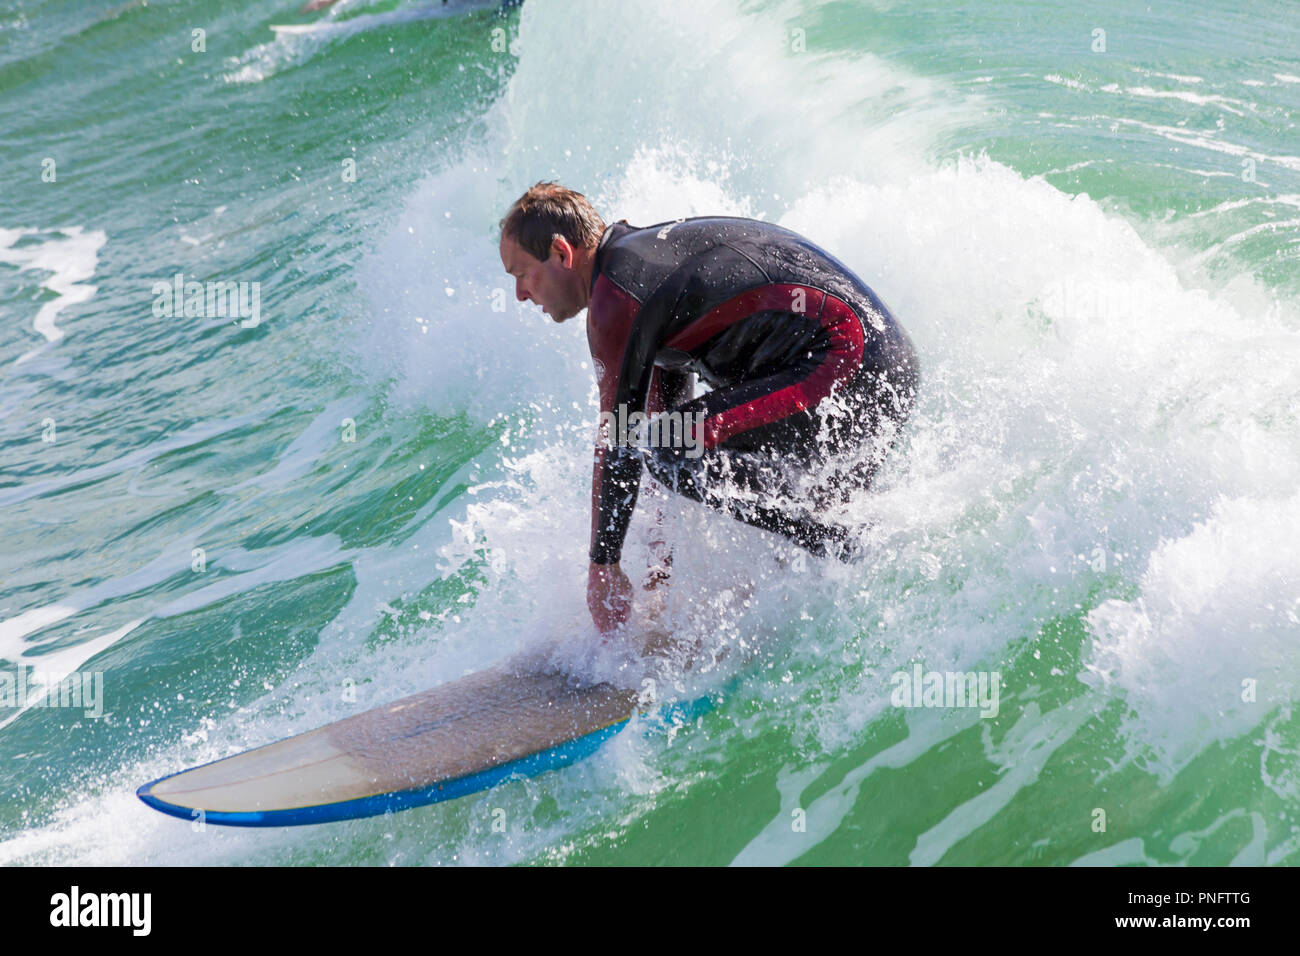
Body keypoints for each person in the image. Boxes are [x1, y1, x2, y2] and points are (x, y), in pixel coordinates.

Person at [498, 182, 919, 635]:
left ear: (562, 253)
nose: (521, 295)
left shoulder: (616, 298)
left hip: (849, 362)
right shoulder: (642, 279)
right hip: (874, 367)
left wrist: (603, 568)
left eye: (521, 273)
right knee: (672, 443)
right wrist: (661, 570)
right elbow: (662, 419)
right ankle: (823, 535)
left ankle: (838, 544)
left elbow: (620, 439)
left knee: (666, 449)